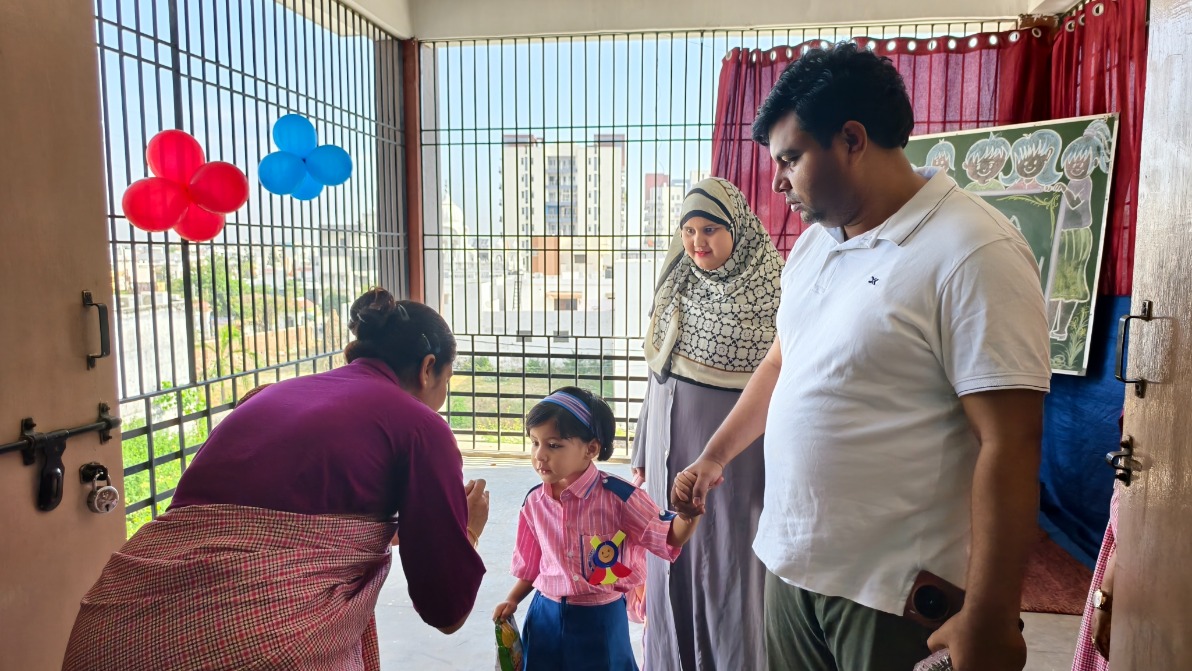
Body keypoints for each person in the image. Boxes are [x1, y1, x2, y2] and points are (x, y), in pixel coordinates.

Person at [672, 42, 1051, 671]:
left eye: (791, 158)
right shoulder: (815, 246)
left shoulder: (972, 249)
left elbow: (1010, 441)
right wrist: (714, 457)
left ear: (852, 138)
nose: (777, 181)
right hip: (791, 570)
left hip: (892, 595)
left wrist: (988, 612)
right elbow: (781, 363)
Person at [63, 288, 489, 671]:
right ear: (429, 368)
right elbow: (445, 609)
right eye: (447, 380)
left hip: (110, 629)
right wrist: (465, 528)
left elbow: (278, 513)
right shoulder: (420, 427)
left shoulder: (270, 394)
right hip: (250, 644)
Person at [632, 176, 782, 670]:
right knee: (668, 550)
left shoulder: (772, 288)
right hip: (666, 444)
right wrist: (642, 449)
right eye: (689, 230)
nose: (698, 242)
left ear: (737, 229)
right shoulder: (677, 279)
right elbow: (657, 369)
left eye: (711, 229)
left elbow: (782, 383)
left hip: (735, 459)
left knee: (725, 561)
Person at [493, 387, 703, 671]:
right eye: (534, 442)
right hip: (544, 616)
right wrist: (513, 599)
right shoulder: (534, 502)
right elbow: (532, 568)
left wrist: (688, 515)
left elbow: (667, 536)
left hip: (600, 618)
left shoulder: (620, 498)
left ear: (591, 449)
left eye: (553, 445)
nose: (540, 455)